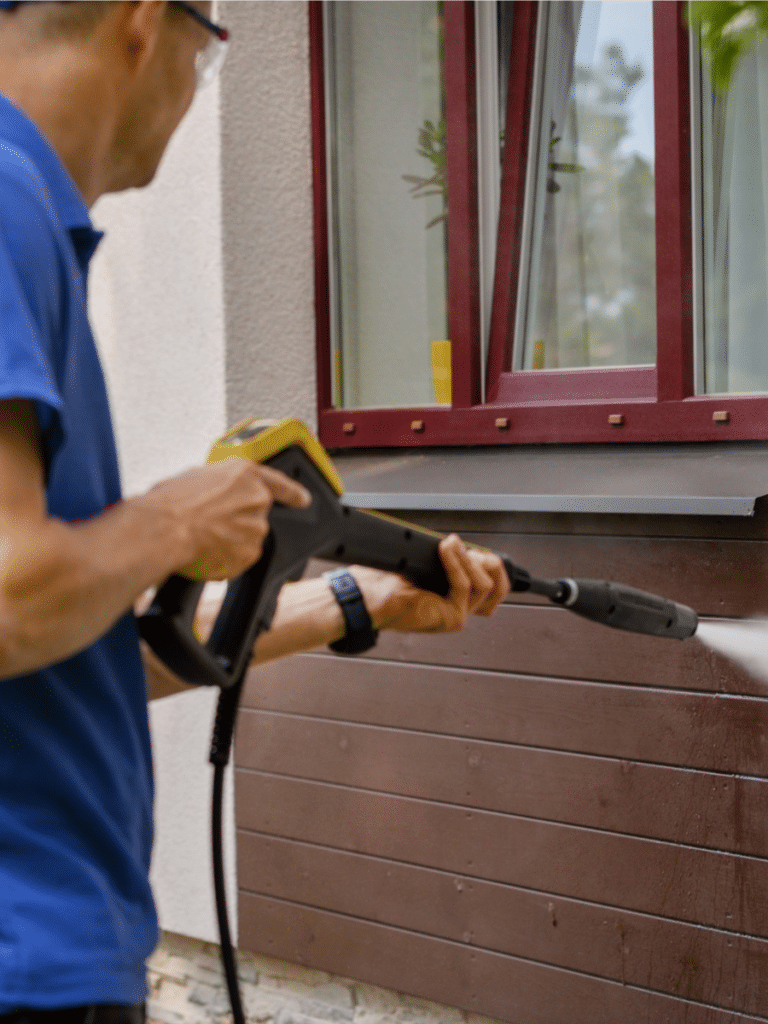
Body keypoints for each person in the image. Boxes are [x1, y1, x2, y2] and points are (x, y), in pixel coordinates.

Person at [0, 3, 511, 1022]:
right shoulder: (4, 205)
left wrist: (347, 602)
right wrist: (173, 521)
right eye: (210, 53)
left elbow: (61, 645)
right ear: (145, 25)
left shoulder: (33, 223)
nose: (196, 92)